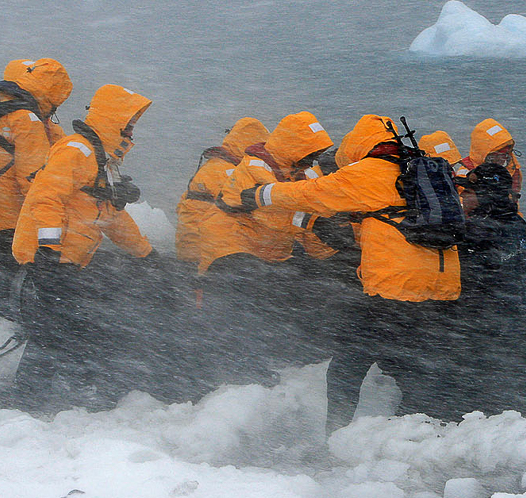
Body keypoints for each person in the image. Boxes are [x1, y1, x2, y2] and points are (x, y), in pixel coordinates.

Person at [229, 114, 461, 433]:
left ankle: (337, 435)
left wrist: (256, 196)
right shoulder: (419, 168)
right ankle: (427, 433)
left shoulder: (367, 171)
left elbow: (310, 193)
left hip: (394, 288)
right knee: (414, 365)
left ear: (361, 143)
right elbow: (389, 219)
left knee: (347, 367)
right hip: (440, 285)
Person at [7, 84, 156, 412]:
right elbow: (47, 196)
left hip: (66, 259)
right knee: (56, 329)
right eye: (128, 125)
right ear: (113, 121)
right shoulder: (77, 150)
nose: (132, 131)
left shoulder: (100, 161)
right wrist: (47, 248)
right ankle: (27, 404)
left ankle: (44, 397)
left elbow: (111, 218)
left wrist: (146, 254)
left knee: (67, 326)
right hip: (50, 257)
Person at [197, 111, 335, 382]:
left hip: (264, 251)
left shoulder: (298, 173)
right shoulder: (255, 167)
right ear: (294, 147)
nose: (313, 160)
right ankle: (231, 370)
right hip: (230, 243)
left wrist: (333, 254)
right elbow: (273, 211)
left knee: (268, 300)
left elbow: (304, 213)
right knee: (238, 304)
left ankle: (253, 362)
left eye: (316, 154)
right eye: (309, 152)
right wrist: (316, 225)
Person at [0, 57, 72, 318]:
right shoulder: (26, 120)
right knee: (1, 289)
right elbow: (34, 181)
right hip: (4, 220)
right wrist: (48, 222)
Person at [456, 162, 526, 416]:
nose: (462, 197)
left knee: (497, 396)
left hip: (497, 327)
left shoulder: (479, 230)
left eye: (467, 192)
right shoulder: (517, 223)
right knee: (521, 388)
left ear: (484, 195)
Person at [175, 117, 269, 267]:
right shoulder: (230, 172)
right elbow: (249, 208)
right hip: (208, 253)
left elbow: (182, 205)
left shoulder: (213, 166)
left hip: (189, 246)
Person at [465, 118, 522, 204]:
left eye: (505, 154)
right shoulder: (466, 172)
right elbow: (463, 205)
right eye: (496, 156)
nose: (501, 159)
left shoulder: (512, 169)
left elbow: (514, 201)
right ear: (484, 154)